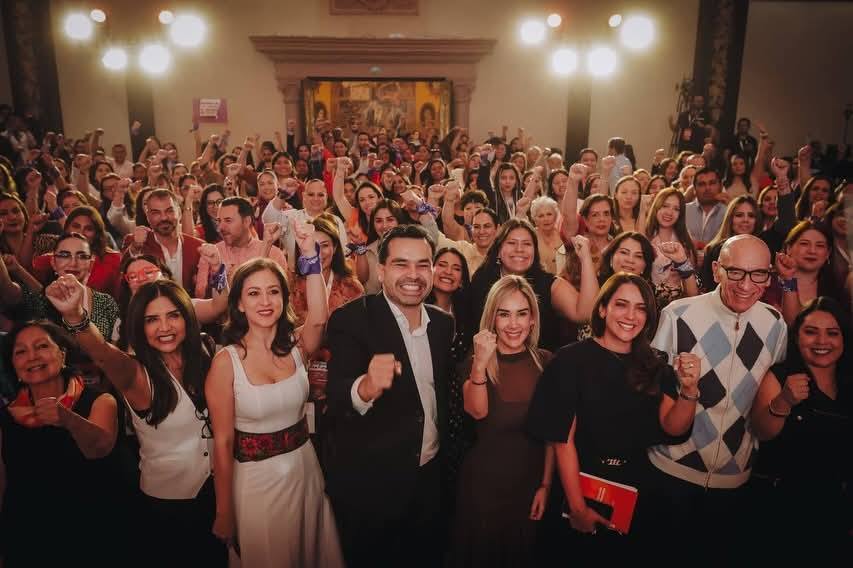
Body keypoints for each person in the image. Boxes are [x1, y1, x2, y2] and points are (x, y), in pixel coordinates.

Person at [44, 276, 227, 566]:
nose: (164, 327)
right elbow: (102, 352)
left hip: (221, 496)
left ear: (187, 317)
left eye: (173, 315)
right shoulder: (134, 373)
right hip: (168, 508)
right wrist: (76, 316)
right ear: (139, 328)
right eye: (152, 320)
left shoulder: (207, 352)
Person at [526, 273, 698, 560]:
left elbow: (674, 427)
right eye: (621, 304)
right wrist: (577, 508)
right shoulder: (570, 360)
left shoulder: (656, 367)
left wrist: (690, 391)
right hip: (575, 487)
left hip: (635, 493)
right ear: (603, 309)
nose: (631, 315)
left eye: (640, 308)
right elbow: (562, 440)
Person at [206, 224, 344, 566]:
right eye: (254, 293)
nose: (265, 302)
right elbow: (222, 443)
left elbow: (319, 319)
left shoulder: (296, 346)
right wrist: (223, 511)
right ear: (239, 304)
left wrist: (310, 254)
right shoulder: (226, 363)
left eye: (273, 292)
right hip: (256, 484)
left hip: (305, 471)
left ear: (285, 298)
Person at [646, 234, 787, 558]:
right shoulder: (678, 314)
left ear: (769, 276)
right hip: (670, 472)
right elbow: (652, 390)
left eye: (758, 274)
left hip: (734, 479)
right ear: (716, 270)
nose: (746, 284)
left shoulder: (775, 324)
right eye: (735, 271)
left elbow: (766, 395)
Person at [324, 224, 454, 568]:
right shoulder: (351, 320)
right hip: (373, 490)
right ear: (381, 271)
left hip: (430, 482)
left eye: (423, 264)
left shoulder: (443, 325)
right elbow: (335, 395)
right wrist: (364, 387)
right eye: (401, 264)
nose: (413, 275)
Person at [0, 320, 124, 567]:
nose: (32, 357)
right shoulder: (8, 416)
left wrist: (68, 420)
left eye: (42, 346)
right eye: (21, 352)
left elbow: (99, 449)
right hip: (26, 537)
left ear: (63, 354)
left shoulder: (100, 401)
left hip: (90, 532)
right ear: (13, 366)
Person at [452, 275, 554, 567]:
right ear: (492, 319)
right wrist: (480, 364)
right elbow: (477, 412)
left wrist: (546, 485)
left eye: (521, 314)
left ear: (532, 319)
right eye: (504, 314)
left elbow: (553, 434)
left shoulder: (547, 362)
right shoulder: (476, 362)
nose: (513, 324)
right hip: (483, 489)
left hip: (530, 487)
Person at [749, 297, 851, 561]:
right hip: (780, 511)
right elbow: (761, 430)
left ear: (844, 338)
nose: (822, 341)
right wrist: (784, 401)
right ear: (796, 337)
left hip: (836, 513)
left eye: (832, 333)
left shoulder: (848, 384)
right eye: (811, 332)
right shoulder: (781, 375)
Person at [195, 196, 288, 298]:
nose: (220, 228)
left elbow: (284, 296)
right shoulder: (211, 253)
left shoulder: (273, 253)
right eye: (219, 221)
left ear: (247, 221)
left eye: (228, 220)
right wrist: (219, 275)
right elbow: (200, 295)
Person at [126, 188, 205, 296]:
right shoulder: (136, 244)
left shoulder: (198, 247)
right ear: (148, 217)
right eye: (156, 213)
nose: (163, 218)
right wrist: (135, 248)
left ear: (179, 213)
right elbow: (122, 279)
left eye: (169, 211)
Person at [643, 188, 701, 308]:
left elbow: (693, 290)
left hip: (682, 305)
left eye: (676, 209)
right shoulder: (645, 238)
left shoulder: (685, 242)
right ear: (656, 207)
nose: (669, 212)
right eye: (665, 206)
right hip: (650, 304)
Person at [684, 167, 727, 246]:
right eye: (701, 184)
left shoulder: (728, 213)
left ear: (721, 186)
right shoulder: (683, 211)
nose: (707, 188)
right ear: (694, 189)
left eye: (712, 183)